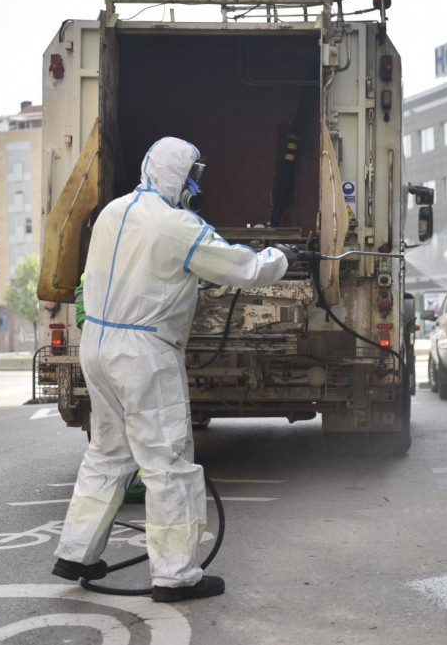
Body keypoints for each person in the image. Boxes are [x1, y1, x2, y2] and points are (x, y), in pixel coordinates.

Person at [52, 137, 297, 602]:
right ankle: (176, 575)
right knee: (168, 462)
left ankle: (76, 553)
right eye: (193, 175)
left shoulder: (112, 212)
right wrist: (282, 257)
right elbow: (244, 268)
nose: (195, 185)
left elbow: (131, 271)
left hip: (98, 346)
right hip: (143, 354)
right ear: (178, 175)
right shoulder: (177, 225)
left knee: (107, 452)